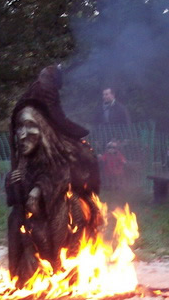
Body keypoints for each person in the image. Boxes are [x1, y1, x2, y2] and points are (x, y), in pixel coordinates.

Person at [6, 65, 102, 288]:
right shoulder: (25, 160)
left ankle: (63, 271)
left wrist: (40, 190)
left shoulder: (68, 156)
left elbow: (63, 177)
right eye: (19, 128)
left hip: (59, 220)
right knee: (19, 222)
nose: (22, 135)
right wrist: (15, 184)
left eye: (31, 127)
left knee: (67, 211)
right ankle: (28, 277)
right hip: (32, 230)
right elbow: (15, 200)